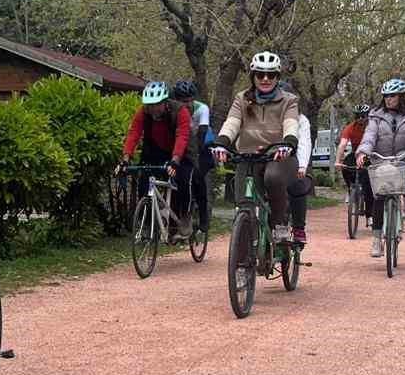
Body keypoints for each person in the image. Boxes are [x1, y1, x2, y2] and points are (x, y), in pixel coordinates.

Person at [211, 52, 300, 241]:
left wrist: (289, 142)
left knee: (273, 178)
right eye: (260, 74)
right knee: (244, 205)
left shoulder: (289, 100)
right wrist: (222, 142)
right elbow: (232, 123)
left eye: (271, 75)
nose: (265, 79)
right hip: (248, 156)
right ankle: (243, 265)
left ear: (277, 77)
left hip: (279, 155)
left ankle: (279, 224)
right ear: (253, 77)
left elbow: (291, 123)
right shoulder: (242, 98)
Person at [358, 77, 405, 258]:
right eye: (385, 96)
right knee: (379, 197)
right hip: (380, 158)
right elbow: (369, 136)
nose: (388, 99)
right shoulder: (375, 116)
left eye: (392, 96)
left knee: (402, 167)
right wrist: (363, 152)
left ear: (401, 97)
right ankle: (376, 239)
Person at [118, 81, 196, 238]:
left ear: (165, 102)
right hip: (155, 150)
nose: (152, 109)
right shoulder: (144, 112)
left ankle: (185, 216)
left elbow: (182, 136)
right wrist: (125, 158)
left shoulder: (180, 111)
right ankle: (146, 222)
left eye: (156, 105)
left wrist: (175, 160)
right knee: (143, 181)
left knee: (184, 180)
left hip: (179, 151)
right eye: (149, 105)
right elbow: (134, 133)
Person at [174, 79, 212, 229]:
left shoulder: (202, 109)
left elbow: (202, 133)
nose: (188, 104)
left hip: (202, 144)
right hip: (185, 146)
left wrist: (195, 158)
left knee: (197, 176)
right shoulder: (174, 110)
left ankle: (203, 217)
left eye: (190, 100)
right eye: (183, 101)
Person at [335, 103, 374, 227]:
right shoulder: (351, 127)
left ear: (368, 116)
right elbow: (342, 144)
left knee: (368, 185)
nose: (361, 119)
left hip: (371, 154)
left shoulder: (373, 127)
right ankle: (351, 188)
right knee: (346, 166)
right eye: (358, 116)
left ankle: (370, 216)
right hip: (356, 153)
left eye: (363, 116)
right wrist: (338, 161)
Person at [287, 110, 314, 246]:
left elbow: (304, 143)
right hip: (270, 159)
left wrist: (302, 165)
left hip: (296, 161)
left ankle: (298, 228)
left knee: (298, 185)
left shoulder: (301, 119)